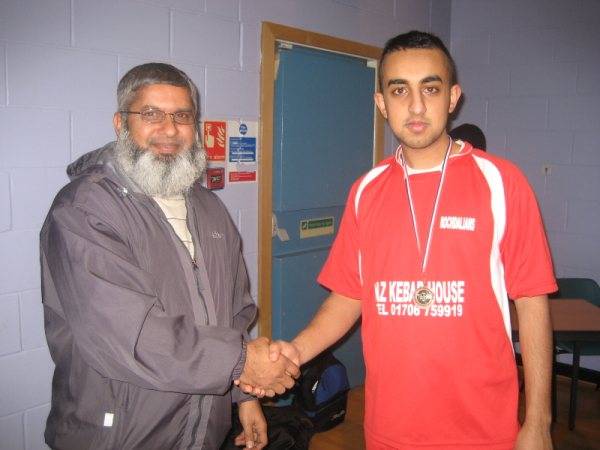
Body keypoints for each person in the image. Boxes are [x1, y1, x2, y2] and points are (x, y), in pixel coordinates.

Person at [256, 31, 557, 449]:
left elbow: (532, 300)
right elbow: (348, 297)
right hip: (391, 429)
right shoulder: (367, 190)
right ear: (382, 104)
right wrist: (294, 353)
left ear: (452, 98)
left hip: (484, 428)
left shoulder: (502, 183)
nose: (416, 106)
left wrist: (538, 422)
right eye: (400, 90)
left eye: (430, 88)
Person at [40, 63, 299, 450]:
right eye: (151, 114)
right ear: (120, 123)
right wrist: (244, 363)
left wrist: (243, 396)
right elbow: (129, 335)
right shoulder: (84, 209)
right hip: (119, 433)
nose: (169, 128)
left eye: (182, 115)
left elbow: (234, 311)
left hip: (200, 430)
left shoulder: (209, 207)